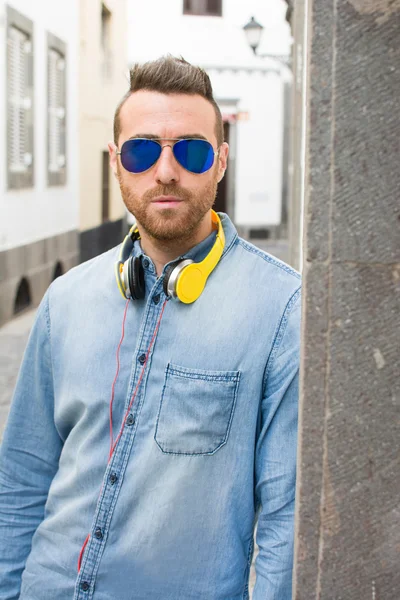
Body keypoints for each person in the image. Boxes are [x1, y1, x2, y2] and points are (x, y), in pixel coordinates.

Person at [0, 56, 301, 600]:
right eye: (141, 151)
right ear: (116, 162)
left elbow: (285, 516)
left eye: (190, 150)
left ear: (221, 161)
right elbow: (22, 474)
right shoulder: (65, 298)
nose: (165, 172)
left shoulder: (281, 307)